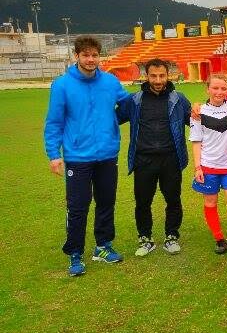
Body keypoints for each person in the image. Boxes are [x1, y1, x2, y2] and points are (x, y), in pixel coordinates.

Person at [44, 36, 130, 276]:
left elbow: (128, 105)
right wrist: (54, 154)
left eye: (94, 55)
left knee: (106, 203)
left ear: (99, 56)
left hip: (107, 155)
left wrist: (112, 122)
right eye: (86, 55)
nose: (91, 59)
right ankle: (75, 253)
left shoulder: (110, 81)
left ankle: (103, 246)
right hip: (78, 157)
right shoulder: (62, 85)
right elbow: (54, 122)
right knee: (78, 207)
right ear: (77, 56)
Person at [117, 58, 191, 257]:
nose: (158, 80)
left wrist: (204, 108)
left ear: (168, 75)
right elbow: (113, 118)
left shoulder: (178, 99)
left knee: (173, 199)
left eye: (162, 76)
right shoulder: (135, 100)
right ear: (146, 76)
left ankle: (171, 236)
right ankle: (145, 238)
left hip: (171, 159)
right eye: (153, 76)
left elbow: (194, 121)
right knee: (142, 201)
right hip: (143, 159)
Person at [190, 74, 227, 255]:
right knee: (210, 202)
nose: (219, 92)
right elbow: (196, 141)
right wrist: (198, 167)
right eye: (215, 88)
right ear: (208, 89)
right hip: (208, 166)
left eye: (223, 88)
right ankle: (219, 239)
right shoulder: (198, 112)